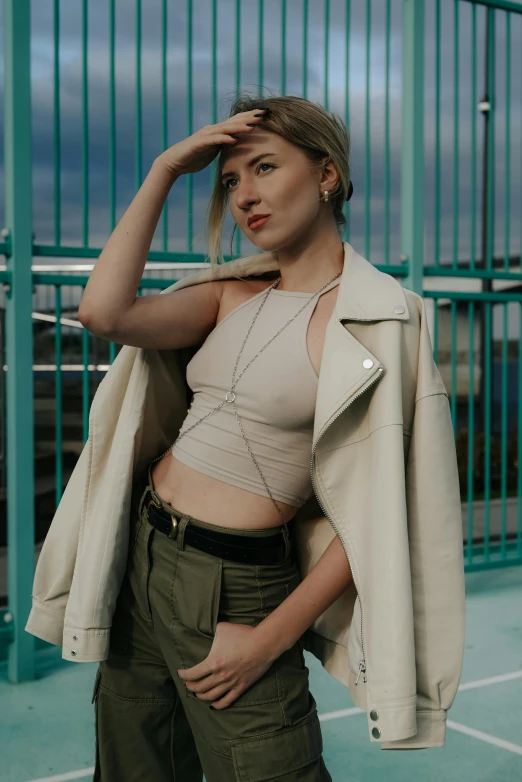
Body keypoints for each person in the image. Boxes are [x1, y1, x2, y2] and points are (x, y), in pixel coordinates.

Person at [25, 94, 465, 780]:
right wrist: (165, 171)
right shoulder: (232, 295)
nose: (245, 196)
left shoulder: (383, 321)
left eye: (265, 168)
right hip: (139, 549)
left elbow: (383, 513)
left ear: (327, 175)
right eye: (231, 181)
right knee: (134, 766)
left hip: (235, 581)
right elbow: (103, 311)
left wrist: (269, 638)